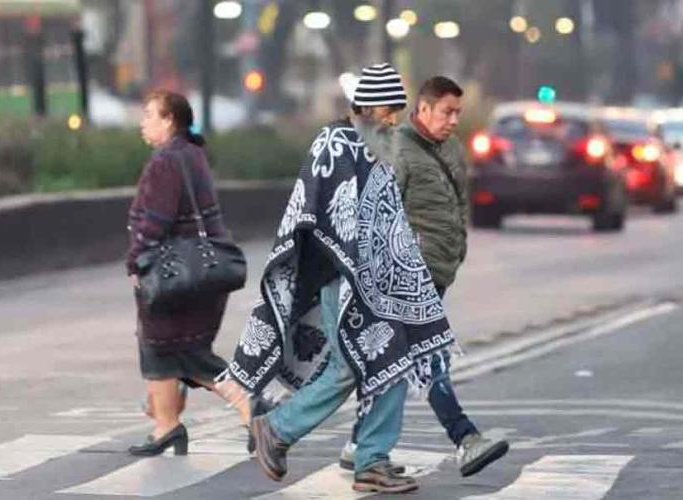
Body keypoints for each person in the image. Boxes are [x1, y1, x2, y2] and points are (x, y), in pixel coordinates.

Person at [222, 63, 456, 494]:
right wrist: (357, 261)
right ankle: (277, 428)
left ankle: (371, 460)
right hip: (341, 275)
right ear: (367, 105)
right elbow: (319, 211)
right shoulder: (334, 141)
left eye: (397, 109)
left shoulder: (378, 144)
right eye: (389, 109)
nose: (394, 117)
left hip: (377, 282)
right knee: (352, 366)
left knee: (390, 362)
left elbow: (387, 216)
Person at [347, 76, 509, 477]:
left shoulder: (451, 148)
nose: (454, 120)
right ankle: (465, 439)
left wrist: (460, 245)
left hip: (439, 270)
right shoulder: (398, 149)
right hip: (409, 276)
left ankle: (357, 443)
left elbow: (458, 201)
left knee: (394, 360)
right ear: (422, 109)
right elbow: (382, 213)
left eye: (458, 112)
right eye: (446, 112)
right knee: (429, 357)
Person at [125, 90, 249, 455]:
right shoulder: (192, 154)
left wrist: (135, 259)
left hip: (175, 273)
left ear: (168, 121)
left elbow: (156, 221)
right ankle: (166, 426)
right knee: (161, 349)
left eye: (149, 115)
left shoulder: (166, 161)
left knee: (186, 354)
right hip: (198, 271)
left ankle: (251, 407)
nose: (142, 122)